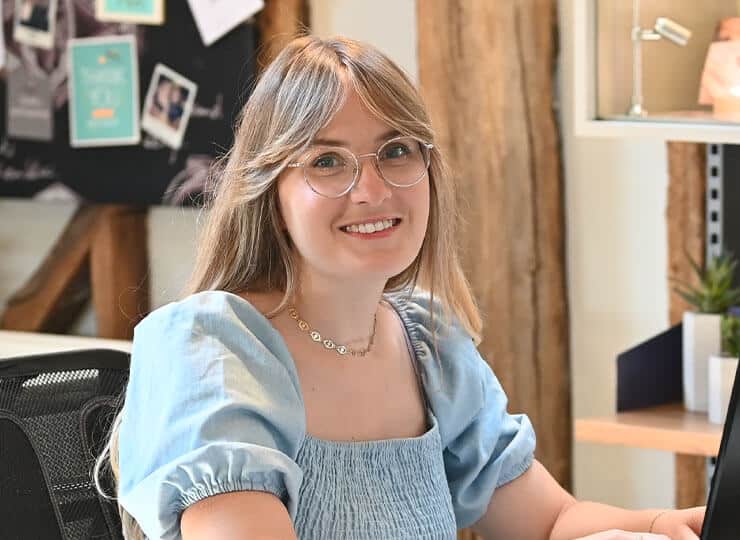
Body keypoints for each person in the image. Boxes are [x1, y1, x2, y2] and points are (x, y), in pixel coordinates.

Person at [95, 35, 705, 539]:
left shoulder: (428, 343)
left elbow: (549, 522)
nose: (373, 190)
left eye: (396, 151)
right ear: (272, 194)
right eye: (327, 161)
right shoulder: (212, 349)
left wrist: (660, 524)